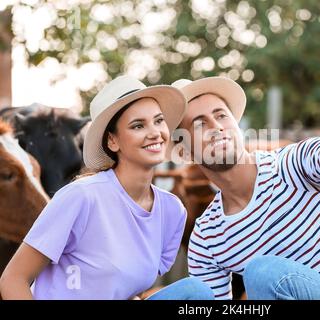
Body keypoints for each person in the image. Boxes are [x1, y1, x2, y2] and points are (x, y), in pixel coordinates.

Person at [172, 62, 320, 300]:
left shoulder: (293, 164)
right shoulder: (207, 236)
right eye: (199, 124)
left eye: (221, 116)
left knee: (263, 273)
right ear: (185, 152)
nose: (216, 127)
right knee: (182, 295)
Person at [0, 76, 214, 300]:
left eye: (159, 121)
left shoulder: (172, 211)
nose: (154, 132)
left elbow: (129, 288)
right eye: (138, 125)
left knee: (196, 293)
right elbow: (13, 279)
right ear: (113, 141)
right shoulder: (81, 197)